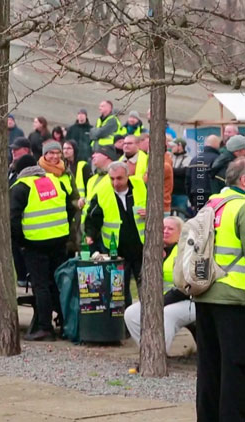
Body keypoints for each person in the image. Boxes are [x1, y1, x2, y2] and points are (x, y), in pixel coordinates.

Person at [195, 158, 245, 420]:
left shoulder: (211, 204)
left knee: (209, 367)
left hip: (205, 294)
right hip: (234, 299)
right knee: (235, 367)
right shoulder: (242, 207)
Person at [11, 160, 74, 340]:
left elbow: (13, 219)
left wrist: (21, 242)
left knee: (41, 286)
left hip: (34, 243)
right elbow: (69, 208)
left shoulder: (21, 187)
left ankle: (45, 327)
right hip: (59, 241)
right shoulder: (56, 181)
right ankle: (65, 323)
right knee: (59, 284)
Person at [124, 216, 194, 355]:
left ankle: (159, 355)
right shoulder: (153, 250)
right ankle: (147, 353)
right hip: (160, 300)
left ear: (180, 233)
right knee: (131, 313)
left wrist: (160, 303)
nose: (165, 231)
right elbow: (142, 280)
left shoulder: (187, 250)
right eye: (162, 228)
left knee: (166, 314)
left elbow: (186, 286)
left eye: (170, 229)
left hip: (188, 301)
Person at [84, 161, 146, 308]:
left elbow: (157, 207)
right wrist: (90, 234)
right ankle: (123, 324)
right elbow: (92, 216)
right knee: (119, 291)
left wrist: (150, 213)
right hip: (116, 250)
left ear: (128, 176)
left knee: (145, 287)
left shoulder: (140, 186)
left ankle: (147, 322)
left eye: (119, 178)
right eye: (112, 178)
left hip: (141, 248)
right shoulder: (103, 191)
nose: (115, 182)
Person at [186, 135, 221, 212]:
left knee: (199, 221)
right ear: (218, 144)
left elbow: (188, 182)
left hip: (196, 196)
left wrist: (192, 201)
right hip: (212, 196)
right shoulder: (218, 160)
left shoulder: (194, 160)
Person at [169, 138, 192, 213]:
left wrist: (170, 170)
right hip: (170, 193)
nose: (171, 148)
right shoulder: (170, 157)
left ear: (180, 146)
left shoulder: (188, 158)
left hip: (181, 193)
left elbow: (184, 172)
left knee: (182, 213)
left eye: (173, 146)